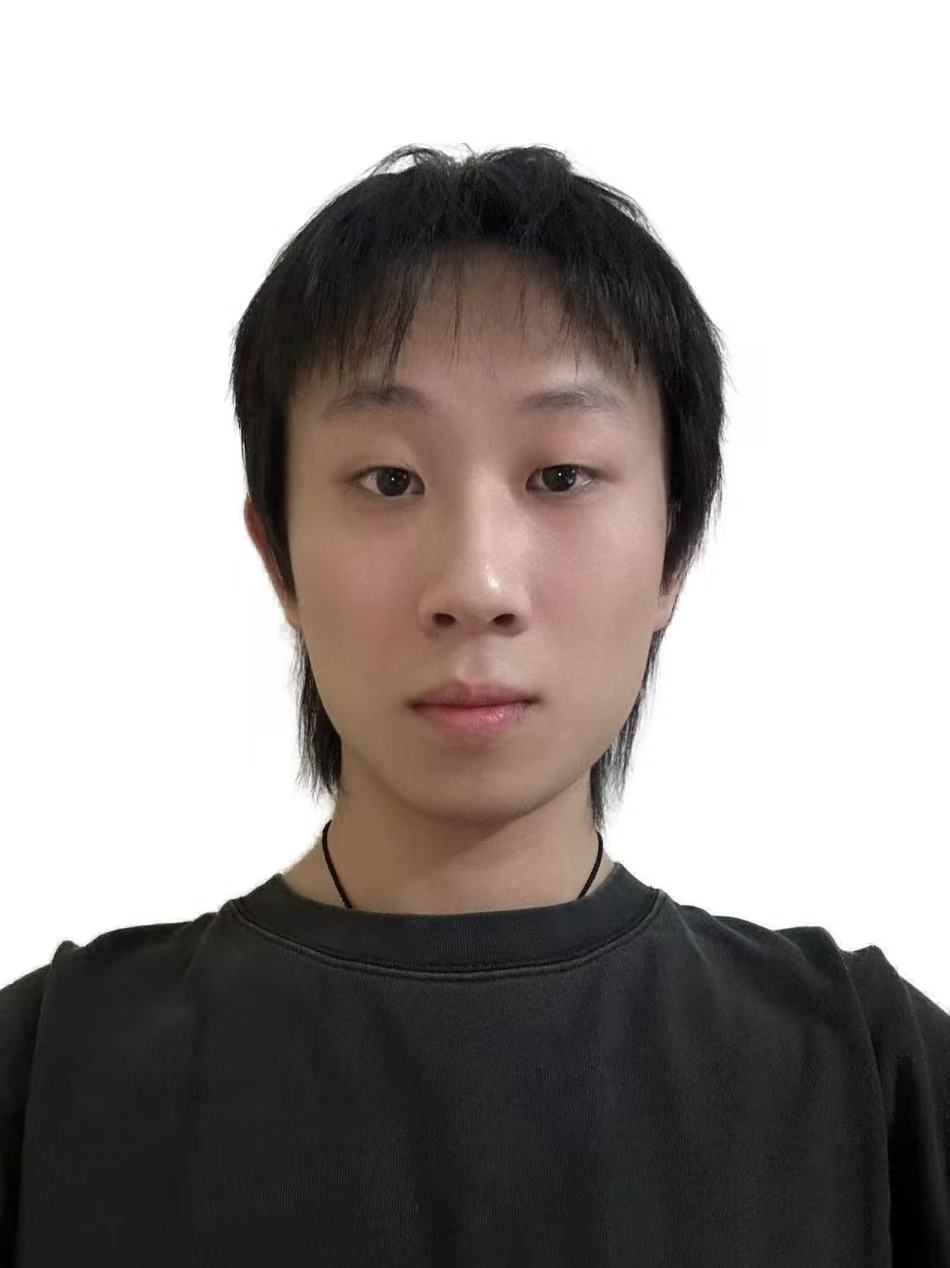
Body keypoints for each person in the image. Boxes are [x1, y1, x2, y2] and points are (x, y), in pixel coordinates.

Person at [2, 144, 947, 1265]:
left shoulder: (868, 1074)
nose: (476, 584)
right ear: (278, 556)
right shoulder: (45, 1076)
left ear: (674, 549)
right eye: (389, 480)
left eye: (560, 476)